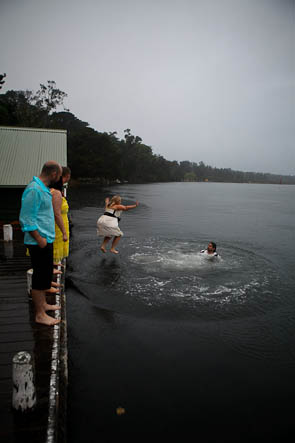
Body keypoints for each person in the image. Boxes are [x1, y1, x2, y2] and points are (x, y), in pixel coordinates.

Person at [19, 161, 62, 326]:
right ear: (53, 174)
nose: (58, 178)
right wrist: (40, 239)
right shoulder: (34, 190)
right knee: (39, 277)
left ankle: (43, 305)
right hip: (39, 242)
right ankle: (39, 315)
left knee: (44, 276)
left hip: (46, 239)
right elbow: (26, 219)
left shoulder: (42, 189)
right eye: (58, 175)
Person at [50, 166, 71, 264]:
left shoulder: (57, 190)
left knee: (57, 248)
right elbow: (56, 214)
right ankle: (51, 271)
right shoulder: (55, 192)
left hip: (59, 224)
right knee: (54, 247)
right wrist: (64, 232)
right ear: (66, 176)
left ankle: (54, 266)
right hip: (56, 226)